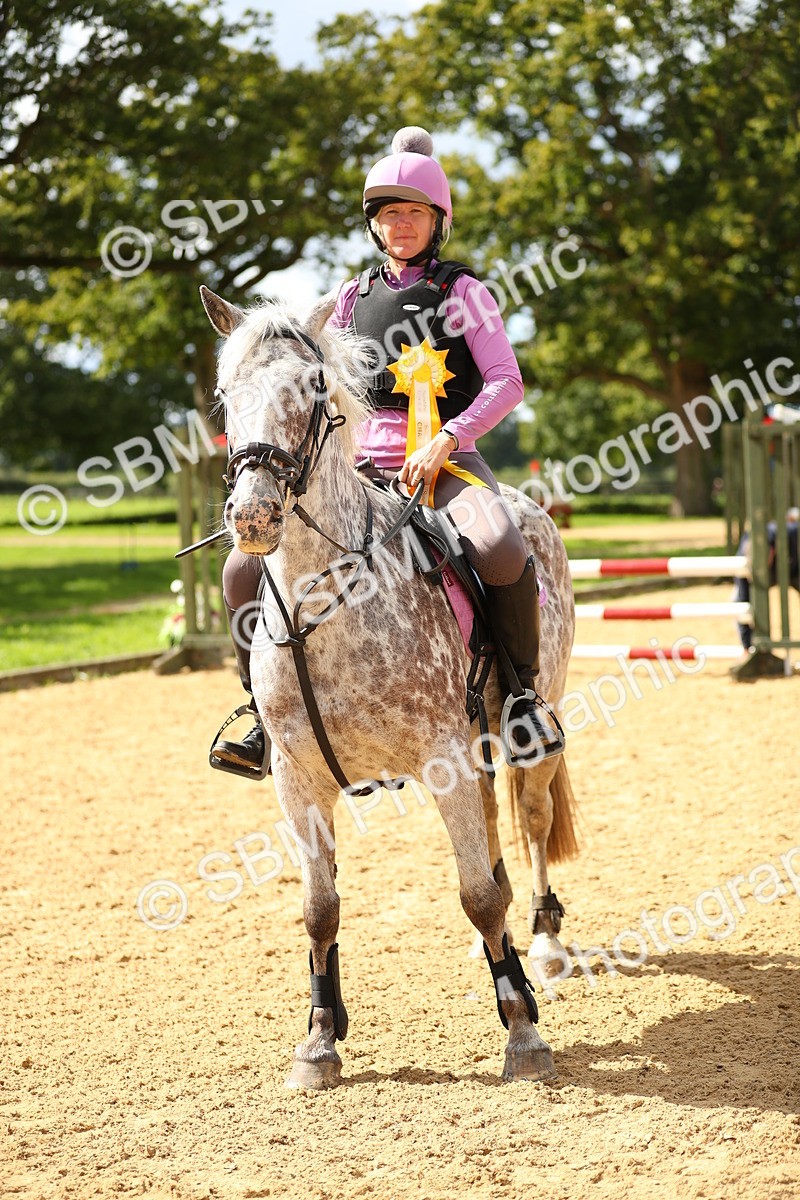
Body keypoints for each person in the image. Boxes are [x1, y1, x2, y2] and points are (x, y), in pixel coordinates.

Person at [211, 126, 564, 775]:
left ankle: (521, 699)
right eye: (389, 214)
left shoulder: (466, 294)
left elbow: (508, 382)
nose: (401, 225)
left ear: (437, 220)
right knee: (239, 568)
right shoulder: (347, 299)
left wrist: (449, 438)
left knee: (502, 548)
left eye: (414, 213)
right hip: (359, 466)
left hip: (448, 459)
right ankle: (258, 714)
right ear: (374, 225)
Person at [734, 509, 799, 650]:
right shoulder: (743, 563)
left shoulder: (791, 533)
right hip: (761, 574)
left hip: (794, 566)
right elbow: (742, 600)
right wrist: (747, 647)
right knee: (739, 600)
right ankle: (749, 646)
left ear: (772, 550)